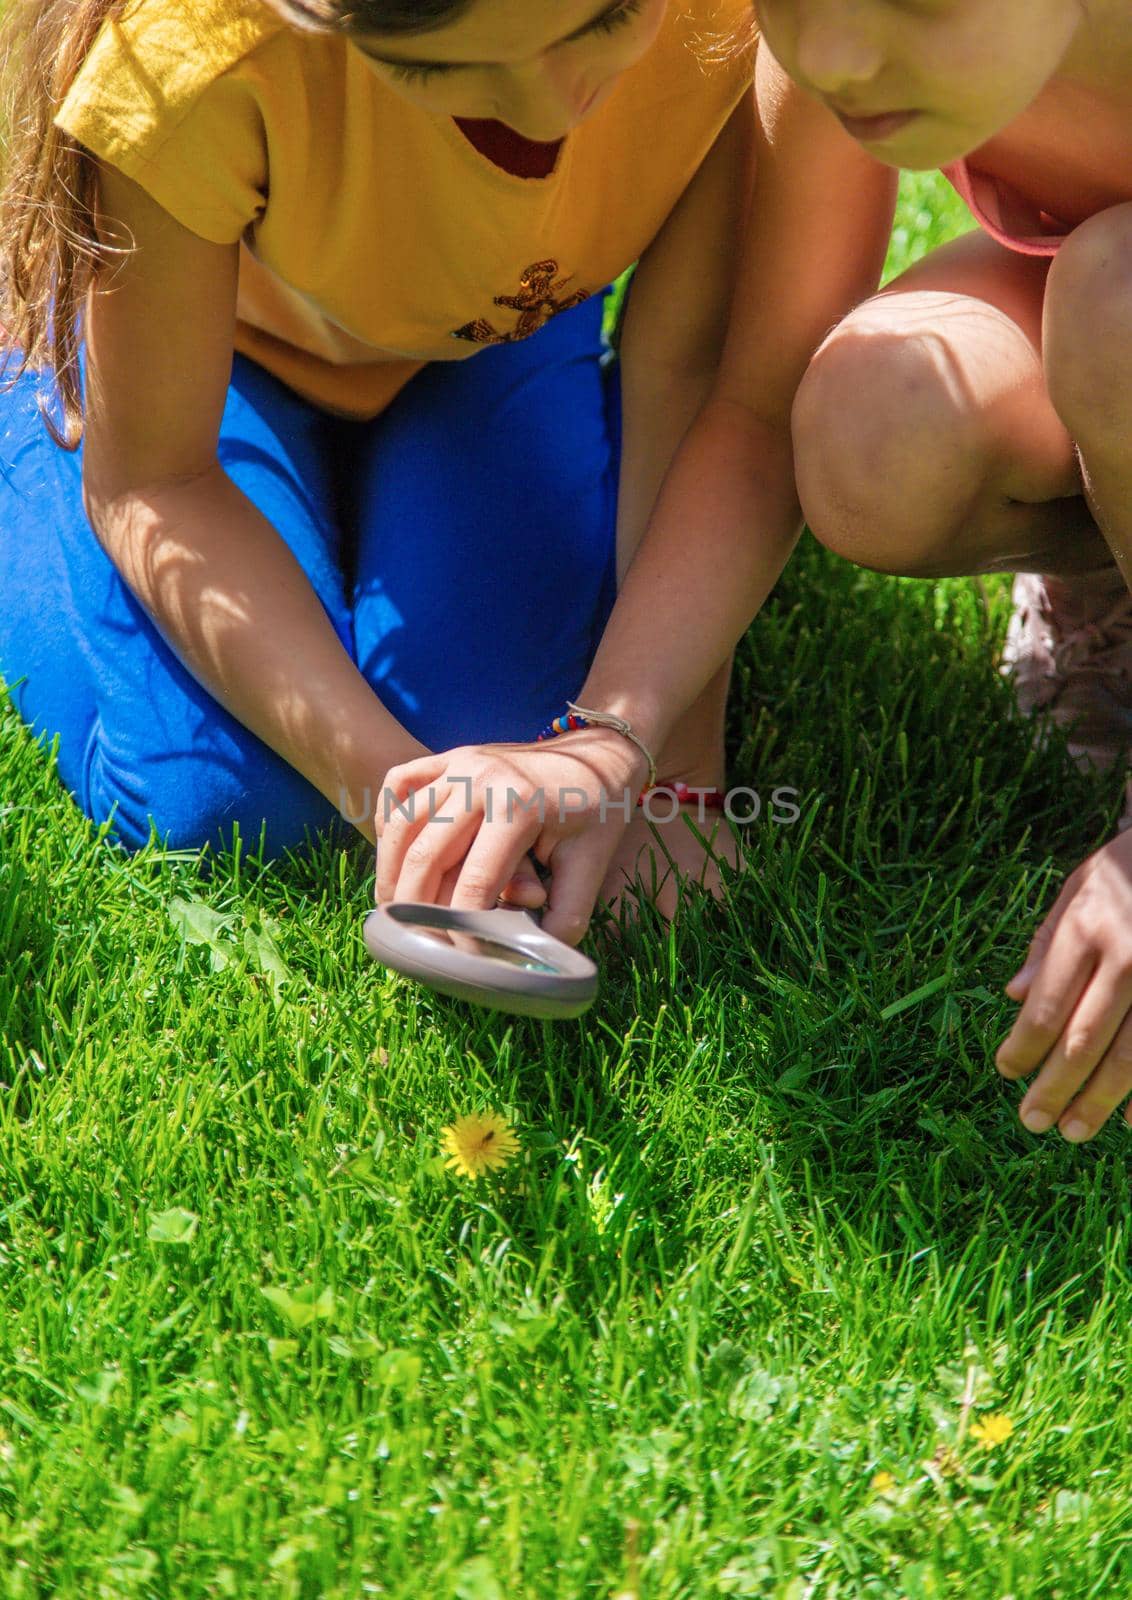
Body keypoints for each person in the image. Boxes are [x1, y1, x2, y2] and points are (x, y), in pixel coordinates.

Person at [378, 0, 1132, 1145]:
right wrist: (616, 740)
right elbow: (757, 397)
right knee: (879, 428)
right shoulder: (833, 40)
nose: (830, 54)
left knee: (1118, 301)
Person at [0, 0, 756, 916]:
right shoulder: (191, 59)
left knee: (503, 736)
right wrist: (398, 791)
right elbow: (158, 481)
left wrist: (670, 765)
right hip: (205, 342)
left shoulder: (725, 20)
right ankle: (23, 392)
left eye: (606, 19)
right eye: (440, 71)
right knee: (223, 806)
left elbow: (691, 380)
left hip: (491, 338)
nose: (551, 108)